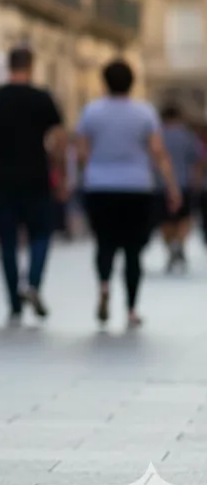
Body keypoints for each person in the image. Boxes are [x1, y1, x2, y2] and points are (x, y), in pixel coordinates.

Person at [75, 62, 181, 328]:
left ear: (104, 82)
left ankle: (103, 285)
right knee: (134, 251)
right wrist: (171, 186)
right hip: (137, 187)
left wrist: (86, 175)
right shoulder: (144, 112)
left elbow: (82, 153)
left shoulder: (91, 111)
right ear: (132, 83)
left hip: (99, 186)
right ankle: (132, 309)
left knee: (104, 243)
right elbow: (157, 152)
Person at [0, 46, 66, 324]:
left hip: (2, 179)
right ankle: (33, 283)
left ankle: (13, 301)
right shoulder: (43, 98)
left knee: (8, 242)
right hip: (37, 178)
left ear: (8, 66)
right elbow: (59, 141)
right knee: (41, 235)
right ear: (31, 66)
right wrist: (62, 176)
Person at [157, 103, 204, 272]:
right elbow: (198, 161)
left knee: (164, 219)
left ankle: (171, 246)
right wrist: (197, 181)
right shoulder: (188, 136)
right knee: (185, 217)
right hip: (185, 182)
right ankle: (180, 242)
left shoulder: (157, 135)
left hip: (160, 184)